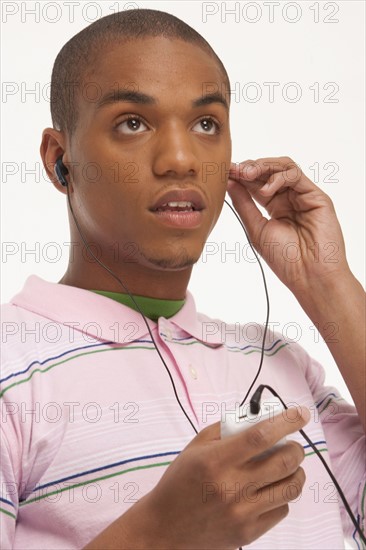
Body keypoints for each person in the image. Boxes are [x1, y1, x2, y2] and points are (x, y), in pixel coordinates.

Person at [1, 8, 364, 550]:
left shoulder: (283, 364)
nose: (180, 159)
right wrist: (154, 537)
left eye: (205, 124)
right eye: (133, 122)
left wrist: (328, 283)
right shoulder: (11, 363)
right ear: (62, 160)